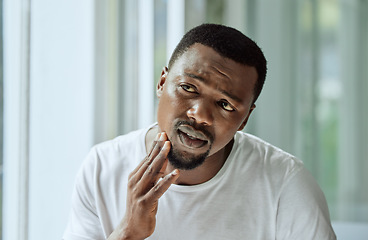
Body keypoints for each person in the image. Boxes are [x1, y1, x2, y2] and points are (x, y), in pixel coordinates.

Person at [63, 24, 336, 240]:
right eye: (189, 88)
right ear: (162, 82)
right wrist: (127, 233)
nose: (201, 115)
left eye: (225, 104)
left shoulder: (285, 185)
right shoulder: (102, 167)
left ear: (244, 120)